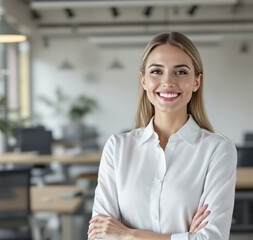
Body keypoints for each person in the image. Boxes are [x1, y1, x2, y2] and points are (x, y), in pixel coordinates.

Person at [87, 32, 237, 240]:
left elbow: (212, 238)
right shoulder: (117, 148)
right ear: (143, 80)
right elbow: (99, 235)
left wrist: (127, 234)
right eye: (157, 71)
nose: (167, 81)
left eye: (181, 72)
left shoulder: (217, 149)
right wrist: (186, 236)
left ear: (196, 82)